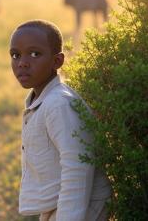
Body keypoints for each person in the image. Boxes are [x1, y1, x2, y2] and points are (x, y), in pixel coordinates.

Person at [9, 19, 111, 221]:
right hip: (58, 204)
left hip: (82, 205)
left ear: (57, 61)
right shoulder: (42, 100)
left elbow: (77, 167)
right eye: (15, 55)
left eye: (35, 54)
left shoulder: (59, 104)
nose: (22, 62)